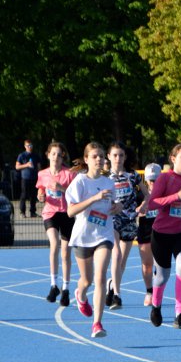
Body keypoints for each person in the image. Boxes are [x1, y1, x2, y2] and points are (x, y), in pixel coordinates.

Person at [66, 142, 122, 338]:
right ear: (87, 159)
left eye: (101, 156)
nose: (99, 159)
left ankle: (97, 324)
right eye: (95, 156)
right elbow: (70, 211)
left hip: (103, 235)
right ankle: (80, 295)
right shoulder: (80, 182)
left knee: (100, 278)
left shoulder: (109, 183)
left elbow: (113, 205)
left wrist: (118, 207)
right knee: (87, 280)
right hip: (82, 237)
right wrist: (93, 198)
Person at [148, 144, 181, 330]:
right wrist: (176, 196)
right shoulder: (164, 178)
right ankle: (156, 305)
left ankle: (180, 314)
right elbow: (152, 203)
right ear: (173, 159)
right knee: (162, 277)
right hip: (162, 234)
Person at [105, 142, 149, 310]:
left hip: (130, 220)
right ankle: (117, 295)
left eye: (121, 155)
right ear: (109, 157)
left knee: (122, 262)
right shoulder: (104, 178)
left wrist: (143, 205)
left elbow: (147, 194)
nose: (118, 158)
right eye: (115, 155)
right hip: (113, 220)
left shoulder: (133, 176)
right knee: (115, 255)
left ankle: (111, 284)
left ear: (125, 157)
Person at [36, 142, 76, 306]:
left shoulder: (69, 174)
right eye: (53, 154)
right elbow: (40, 190)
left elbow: (75, 195)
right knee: (54, 245)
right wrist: (40, 195)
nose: (56, 157)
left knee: (65, 253)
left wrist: (61, 187)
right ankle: (53, 285)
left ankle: (65, 288)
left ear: (63, 157)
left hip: (66, 213)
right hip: (50, 212)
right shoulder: (42, 174)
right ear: (48, 155)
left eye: (59, 155)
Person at [136, 163, 161, 307]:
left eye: (156, 179)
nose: (153, 183)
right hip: (145, 232)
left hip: (161, 232)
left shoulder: (165, 193)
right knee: (147, 265)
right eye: (151, 180)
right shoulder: (140, 194)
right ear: (146, 180)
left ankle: (157, 292)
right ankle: (149, 291)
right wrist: (139, 209)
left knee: (160, 265)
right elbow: (132, 210)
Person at [15, 139, 42, 218]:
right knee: (24, 195)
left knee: (33, 196)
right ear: (25, 146)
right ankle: (22, 212)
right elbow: (17, 167)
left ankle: (33, 212)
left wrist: (40, 176)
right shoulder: (22, 155)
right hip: (25, 178)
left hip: (34, 178)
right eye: (28, 146)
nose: (30, 147)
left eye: (31, 145)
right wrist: (26, 165)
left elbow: (39, 167)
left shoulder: (35, 155)